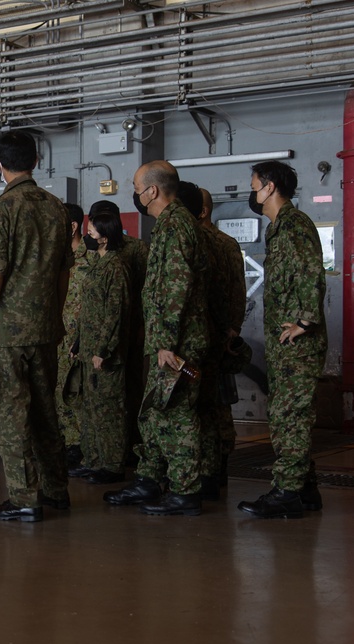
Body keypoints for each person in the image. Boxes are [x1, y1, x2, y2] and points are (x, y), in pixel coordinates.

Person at [0, 130, 73, 523]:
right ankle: (57, 490)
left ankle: (25, 498)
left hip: (9, 332)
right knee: (45, 412)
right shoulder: (57, 208)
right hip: (45, 328)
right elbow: (63, 273)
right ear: (36, 162)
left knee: (8, 414)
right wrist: (54, 314)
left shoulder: (2, 208)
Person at [104, 160, 209, 516]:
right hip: (168, 339)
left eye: (136, 187)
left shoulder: (177, 225)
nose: (135, 194)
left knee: (176, 413)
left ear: (152, 191)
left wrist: (165, 343)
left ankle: (185, 490)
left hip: (176, 342)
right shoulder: (169, 224)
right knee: (153, 414)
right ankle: (150, 478)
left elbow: (176, 287)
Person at [238, 161, 327, 518]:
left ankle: (287, 492)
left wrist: (304, 321)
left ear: (270, 187)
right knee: (289, 415)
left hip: (297, 345)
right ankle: (305, 490)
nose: (253, 191)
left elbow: (310, 271)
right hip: (285, 344)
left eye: (255, 184)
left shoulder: (294, 225)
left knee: (290, 417)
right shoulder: (280, 227)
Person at [67, 212, 131, 485]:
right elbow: (89, 310)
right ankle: (93, 460)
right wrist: (79, 343)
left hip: (104, 354)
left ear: (105, 237)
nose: (88, 235)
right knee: (91, 409)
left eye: (91, 231)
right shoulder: (98, 264)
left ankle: (112, 464)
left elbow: (115, 314)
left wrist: (102, 350)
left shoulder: (116, 267)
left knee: (108, 411)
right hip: (88, 348)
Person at [87, 200, 148, 460]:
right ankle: (99, 456)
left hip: (125, 337)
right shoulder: (97, 260)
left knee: (121, 399)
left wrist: (105, 346)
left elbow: (121, 307)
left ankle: (123, 454)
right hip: (99, 338)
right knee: (99, 402)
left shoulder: (128, 255)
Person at [198, 187, 247, 492]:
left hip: (211, 335)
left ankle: (212, 467)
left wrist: (230, 328)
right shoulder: (226, 243)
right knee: (216, 402)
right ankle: (216, 466)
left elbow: (234, 289)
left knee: (212, 402)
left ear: (202, 211)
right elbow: (239, 291)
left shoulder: (212, 243)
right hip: (217, 332)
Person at [57, 202, 93, 470]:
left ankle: (77, 447)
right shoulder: (55, 260)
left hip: (78, 342)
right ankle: (63, 442)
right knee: (57, 392)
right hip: (54, 338)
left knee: (75, 394)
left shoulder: (90, 260)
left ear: (72, 226)